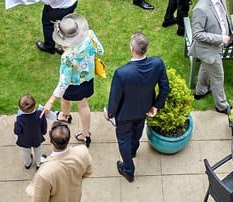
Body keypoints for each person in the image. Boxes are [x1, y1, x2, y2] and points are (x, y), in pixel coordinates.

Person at [106, 32, 169, 182]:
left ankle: (128, 169)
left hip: (125, 114)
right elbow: (165, 88)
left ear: (132, 48)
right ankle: (132, 151)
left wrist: (109, 113)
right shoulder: (157, 63)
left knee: (123, 140)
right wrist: (156, 106)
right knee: (137, 132)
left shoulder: (121, 73)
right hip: (144, 109)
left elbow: (114, 98)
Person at [42, 14, 101, 147]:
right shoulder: (90, 34)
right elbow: (100, 50)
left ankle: (65, 115)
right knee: (83, 105)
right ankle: (86, 135)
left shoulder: (67, 57)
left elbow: (64, 82)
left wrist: (50, 101)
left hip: (72, 84)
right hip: (87, 79)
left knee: (64, 98)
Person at [191, 0, 233, 114]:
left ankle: (200, 91)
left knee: (206, 66)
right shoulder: (200, 9)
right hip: (209, 48)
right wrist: (220, 38)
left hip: (218, 45)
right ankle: (221, 106)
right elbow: (197, 34)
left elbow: (222, 17)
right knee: (218, 78)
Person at [15, 94, 49, 170]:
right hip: (37, 138)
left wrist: (16, 123)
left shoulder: (20, 118)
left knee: (26, 152)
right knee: (38, 151)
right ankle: (38, 163)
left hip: (25, 140)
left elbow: (17, 131)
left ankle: (27, 163)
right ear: (35, 105)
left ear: (20, 108)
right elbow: (44, 126)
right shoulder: (40, 114)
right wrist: (43, 132)